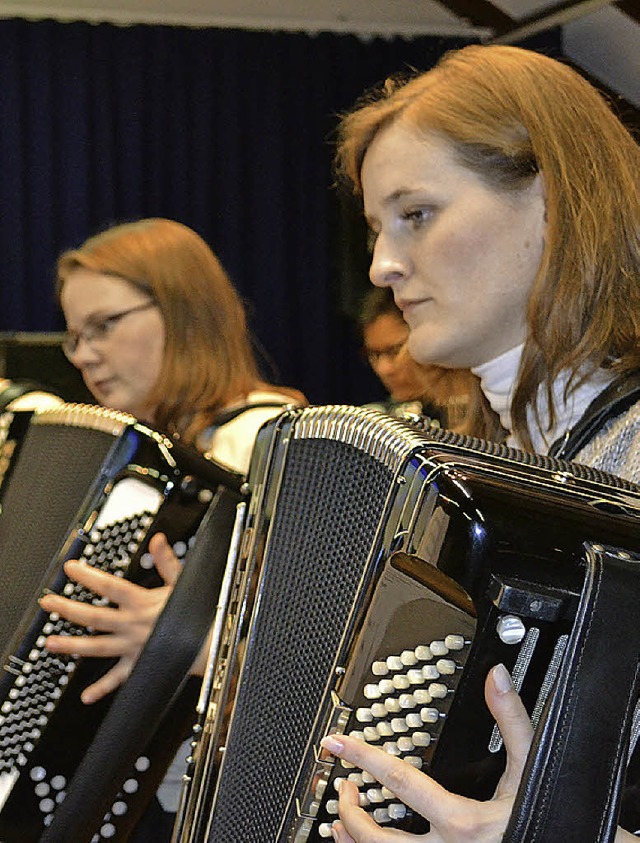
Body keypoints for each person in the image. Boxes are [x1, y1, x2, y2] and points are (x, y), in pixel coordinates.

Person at [323, 43, 640, 841]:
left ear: (553, 201)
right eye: (375, 228)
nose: (384, 265)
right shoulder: (471, 464)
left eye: (416, 214)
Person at [36, 217, 306, 838]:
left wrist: (184, 637)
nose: (84, 356)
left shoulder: (266, 441)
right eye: (74, 338)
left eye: (103, 326)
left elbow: (314, 651)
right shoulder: (149, 465)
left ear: (184, 312)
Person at [359, 285, 476, 431]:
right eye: (375, 355)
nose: (384, 369)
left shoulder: (495, 408)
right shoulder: (373, 424)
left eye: (394, 351)